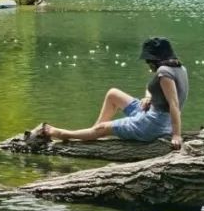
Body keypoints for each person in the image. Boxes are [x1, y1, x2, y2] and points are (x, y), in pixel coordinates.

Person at [42, 37, 188, 150]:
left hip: (154, 125)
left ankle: (64, 134)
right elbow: (152, 87)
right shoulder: (179, 68)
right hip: (149, 111)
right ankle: (93, 133)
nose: (147, 63)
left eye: (149, 60)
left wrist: (176, 135)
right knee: (113, 94)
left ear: (155, 58)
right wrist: (148, 97)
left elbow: (174, 104)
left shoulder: (164, 73)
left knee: (103, 128)